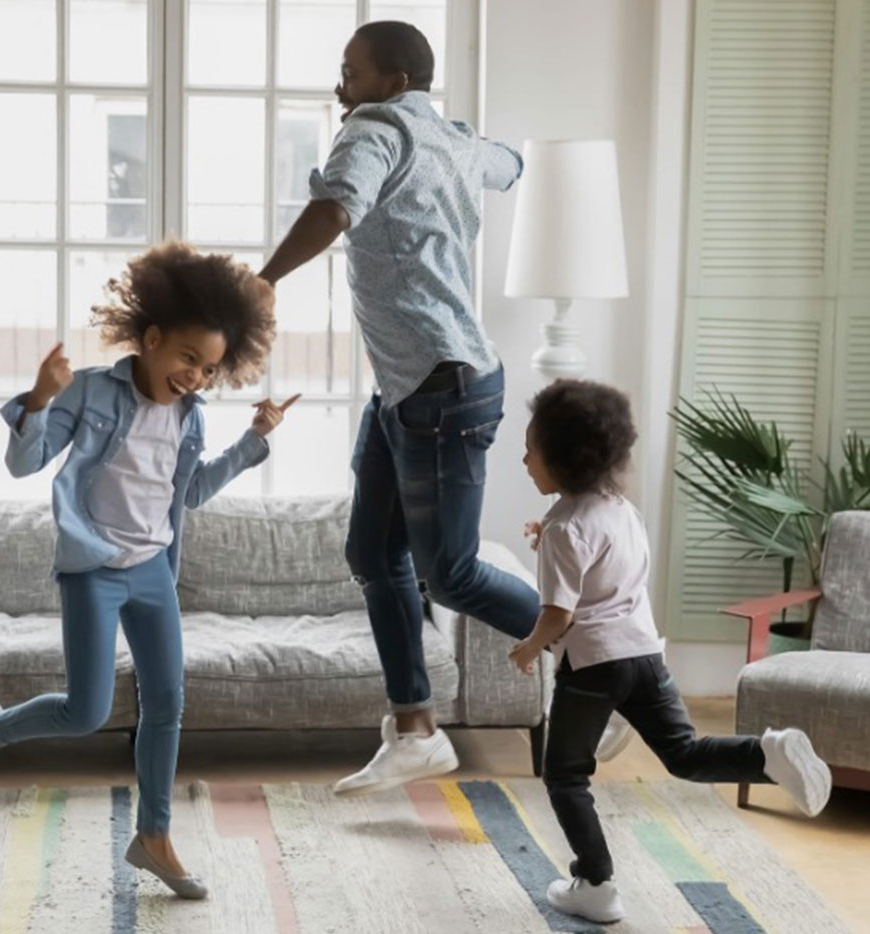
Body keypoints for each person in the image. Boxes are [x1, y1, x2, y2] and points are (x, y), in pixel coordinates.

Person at [0, 242, 294, 900]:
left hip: (153, 571)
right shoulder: (91, 392)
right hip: (94, 570)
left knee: (167, 705)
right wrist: (42, 400)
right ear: (153, 338)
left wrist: (255, 441)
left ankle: (154, 836)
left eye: (209, 368)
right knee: (86, 711)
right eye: (187, 358)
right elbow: (25, 464)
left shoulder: (190, 419)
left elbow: (189, 492)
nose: (195, 376)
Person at [259, 20, 540, 797]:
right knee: (371, 555)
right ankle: (415, 728)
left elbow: (336, 205)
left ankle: (599, 654)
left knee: (445, 574)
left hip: (440, 387)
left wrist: (265, 279)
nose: (339, 87)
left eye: (349, 72)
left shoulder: (374, 128)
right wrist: (495, 151)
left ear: (391, 82)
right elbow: (510, 165)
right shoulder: (449, 138)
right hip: (414, 386)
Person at [511, 378, 832, 925]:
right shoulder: (618, 508)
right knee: (684, 753)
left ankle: (596, 883)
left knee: (565, 775)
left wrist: (528, 648)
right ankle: (767, 754)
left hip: (592, 667)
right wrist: (553, 527)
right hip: (644, 656)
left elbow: (559, 614)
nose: (523, 459)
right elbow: (598, 550)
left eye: (531, 450)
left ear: (563, 461)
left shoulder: (565, 529)